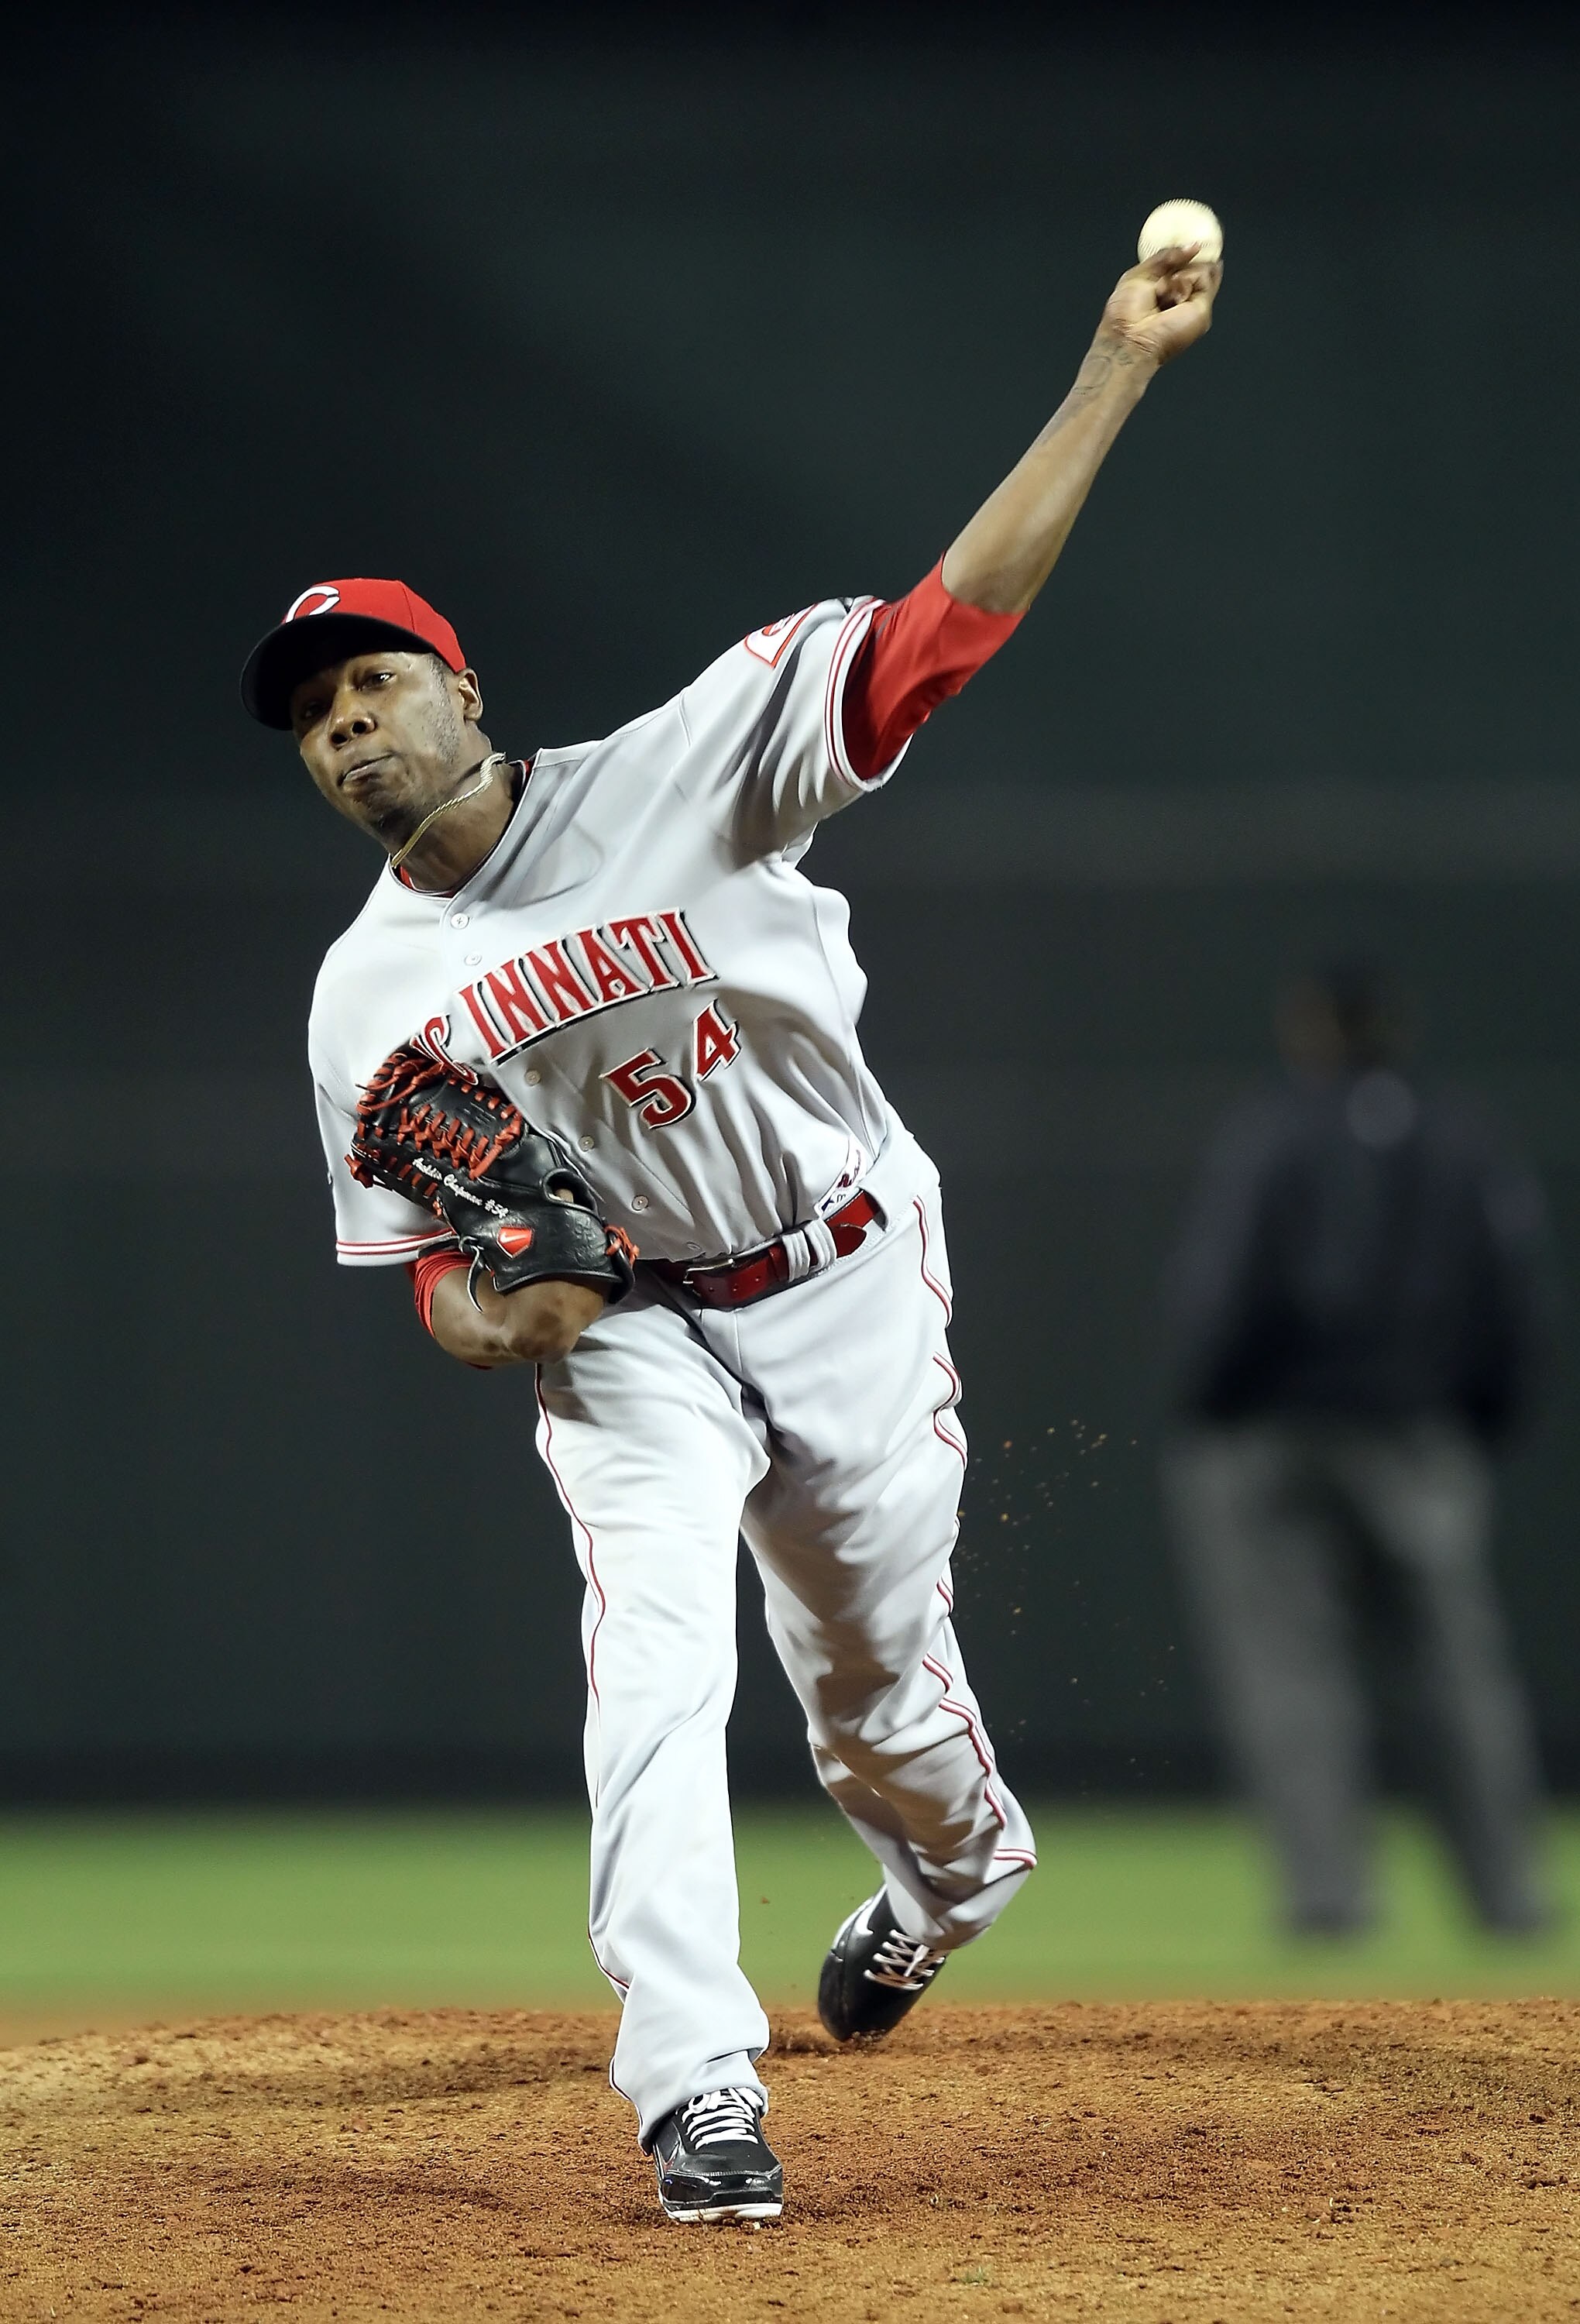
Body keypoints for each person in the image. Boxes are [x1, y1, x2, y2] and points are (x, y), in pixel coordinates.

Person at [242, 239, 1221, 2223]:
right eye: (315, 711)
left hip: (842, 1258)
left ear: (462, 687)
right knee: (657, 1669)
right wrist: (509, 1324)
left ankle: (946, 1884)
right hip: (628, 1339)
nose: (349, 724)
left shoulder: (690, 761)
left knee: (872, 1694)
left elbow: (946, 628)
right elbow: (439, 1271)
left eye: (376, 679)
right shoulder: (364, 1001)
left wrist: (1110, 367)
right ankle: (693, 2084)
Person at [1163, 965, 1554, 1936]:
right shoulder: (1459, 1139)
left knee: (1294, 1674)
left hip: (1271, 1443)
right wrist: (1482, 1420)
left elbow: (1222, 1292)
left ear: (1309, 1030)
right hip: (1416, 1437)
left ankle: (1331, 1899)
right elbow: (1512, 1299)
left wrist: (1206, 1407)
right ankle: (1509, 1900)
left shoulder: (1275, 1137)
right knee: (1458, 1676)